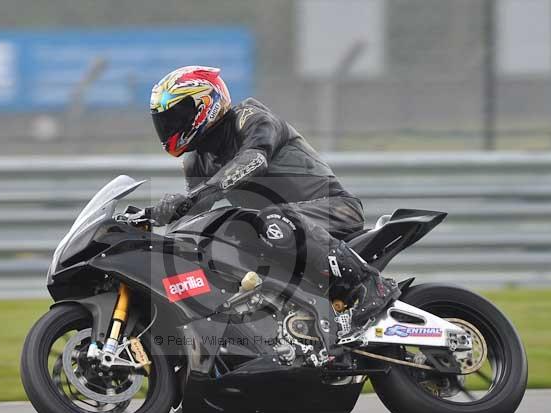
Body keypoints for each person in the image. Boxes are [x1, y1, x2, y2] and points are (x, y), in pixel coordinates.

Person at [146, 65, 398, 335]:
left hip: (334, 208)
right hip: (276, 231)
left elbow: (254, 159)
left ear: (205, 104)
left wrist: (197, 195)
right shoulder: (195, 161)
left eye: (178, 115)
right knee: (221, 240)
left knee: (268, 218)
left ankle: (371, 286)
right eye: (165, 120)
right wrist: (160, 215)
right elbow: (192, 216)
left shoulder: (250, 117)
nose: (171, 126)